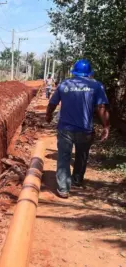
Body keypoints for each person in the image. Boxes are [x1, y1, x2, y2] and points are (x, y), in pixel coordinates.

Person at [45, 59, 110, 199]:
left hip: (65, 128)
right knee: (82, 155)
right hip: (85, 129)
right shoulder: (96, 86)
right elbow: (101, 107)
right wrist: (106, 126)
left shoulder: (64, 84)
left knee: (64, 157)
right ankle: (77, 179)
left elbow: (52, 103)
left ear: (74, 72)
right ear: (89, 73)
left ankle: (63, 188)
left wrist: (48, 116)